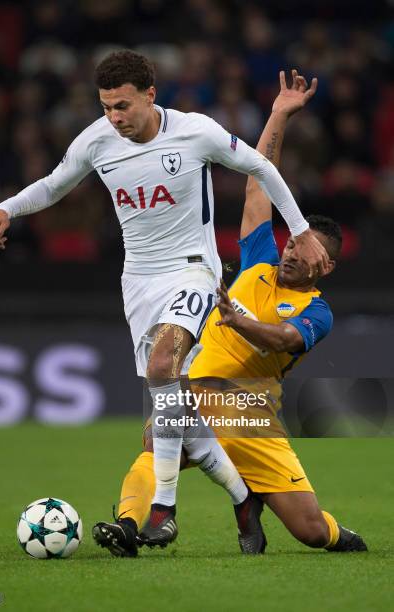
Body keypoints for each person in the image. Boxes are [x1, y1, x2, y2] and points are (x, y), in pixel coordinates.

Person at [0, 51, 328, 550]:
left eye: (122, 105)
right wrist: (6, 207)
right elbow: (55, 185)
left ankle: (163, 510)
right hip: (139, 282)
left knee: (165, 366)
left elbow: (260, 169)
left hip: (194, 270)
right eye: (105, 107)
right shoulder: (98, 142)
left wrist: (301, 231)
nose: (114, 118)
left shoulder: (195, 132)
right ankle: (240, 496)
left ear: (150, 93)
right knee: (175, 412)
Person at [94, 70, 367, 557]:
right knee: (155, 445)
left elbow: (283, 340)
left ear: (324, 265)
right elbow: (257, 182)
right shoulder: (260, 257)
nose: (290, 252)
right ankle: (130, 527)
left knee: (309, 531)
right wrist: (279, 113)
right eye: (292, 242)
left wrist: (238, 320)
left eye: (304, 251)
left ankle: (333, 532)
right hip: (199, 388)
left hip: (250, 408)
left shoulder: (317, 311)